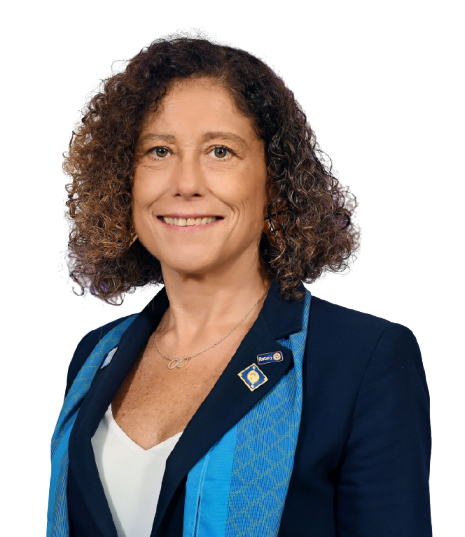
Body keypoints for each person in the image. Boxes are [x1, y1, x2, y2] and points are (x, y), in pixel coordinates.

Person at [49, 27, 432, 537]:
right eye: (159, 151)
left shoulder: (364, 360)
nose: (186, 183)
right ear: (124, 180)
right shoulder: (95, 355)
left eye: (220, 152)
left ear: (274, 180)